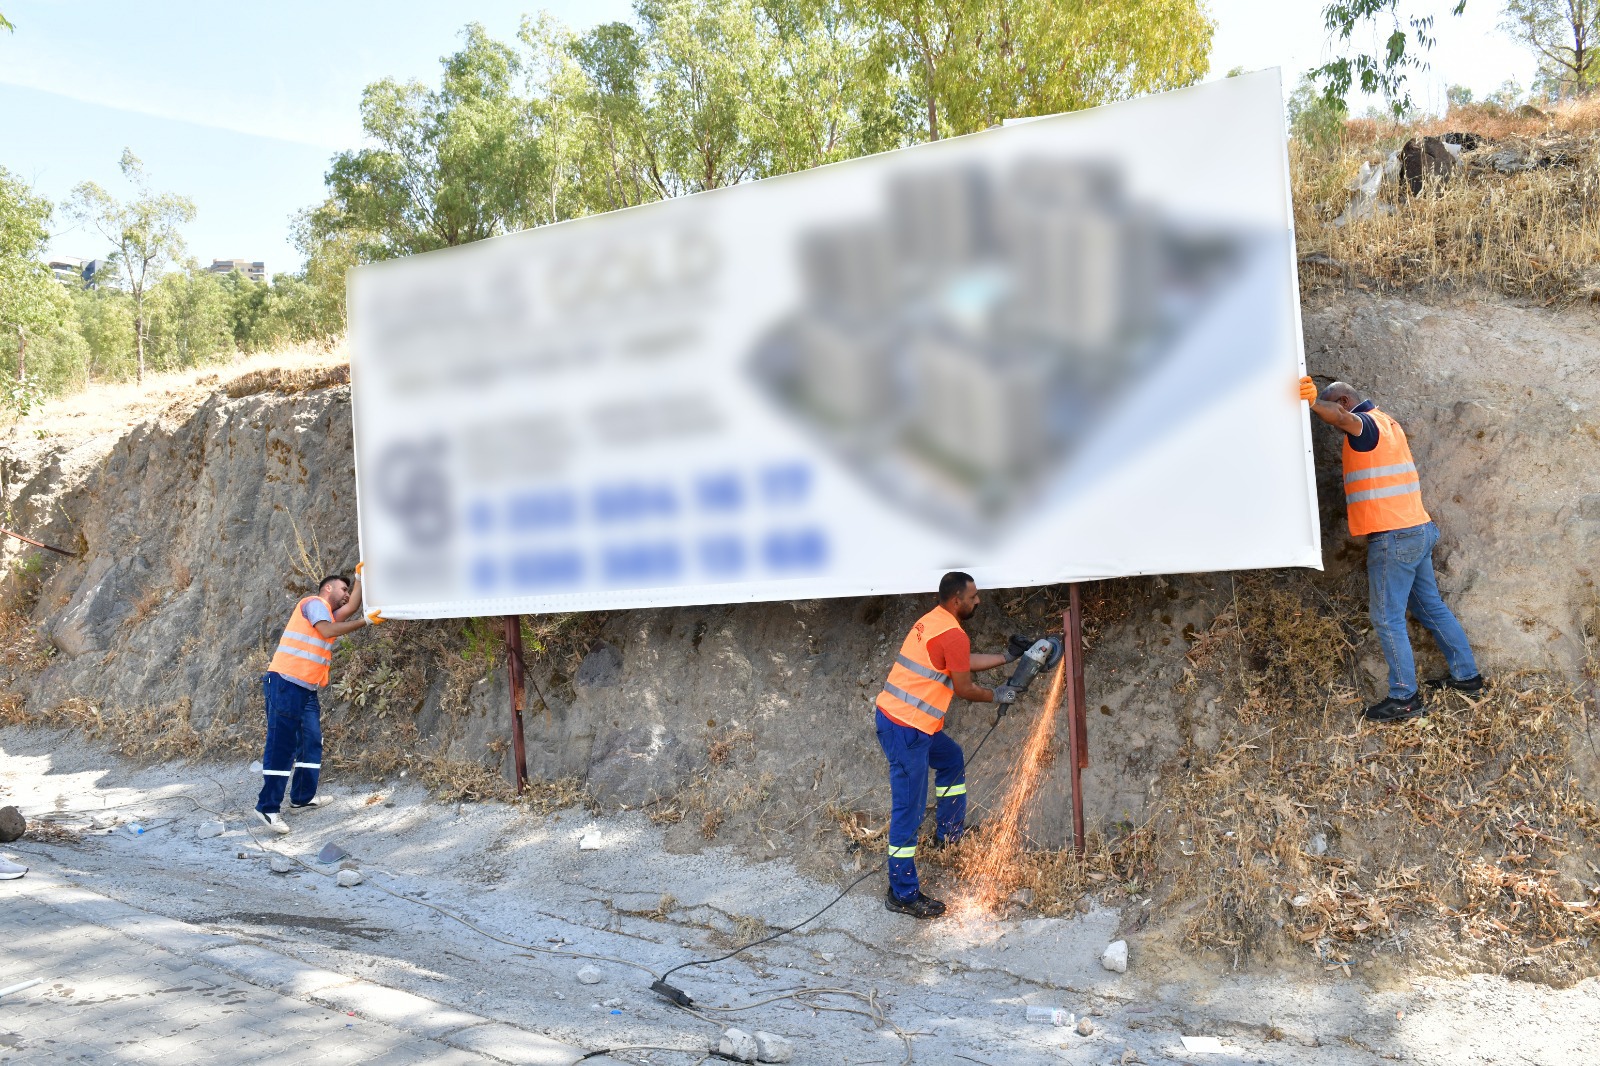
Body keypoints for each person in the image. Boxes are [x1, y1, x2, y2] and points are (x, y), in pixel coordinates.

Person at [1301, 377, 1485, 722]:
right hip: (1417, 529)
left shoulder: (1365, 425)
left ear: (1343, 401)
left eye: (1332, 409)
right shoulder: (1387, 422)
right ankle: (1467, 678)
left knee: (1387, 619)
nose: (1336, 427)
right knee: (1430, 607)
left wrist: (1312, 403)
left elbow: (1341, 418)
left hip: (1395, 538)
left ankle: (1404, 698)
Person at [874, 571, 1028, 919]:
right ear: (957, 600)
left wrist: (1006, 656)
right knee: (908, 811)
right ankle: (902, 893)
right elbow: (964, 687)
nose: (978, 601)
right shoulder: (952, 634)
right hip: (907, 730)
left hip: (903, 721)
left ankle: (949, 835)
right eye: (973, 597)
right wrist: (997, 695)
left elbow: (959, 661)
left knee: (951, 759)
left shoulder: (933, 621)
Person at [253, 568, 383, 835]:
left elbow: (351, 607)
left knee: (311, 740)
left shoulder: (328, 613)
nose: (347, 594)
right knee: (282, 745)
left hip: (306, 689)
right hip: (285, 683)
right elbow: (327, 630)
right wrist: (365, 622)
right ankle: (267, 807)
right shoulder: (314, 604)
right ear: (327, 589)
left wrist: (360, 579)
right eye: (343, 589)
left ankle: (302, 798)